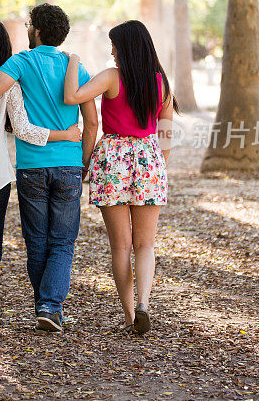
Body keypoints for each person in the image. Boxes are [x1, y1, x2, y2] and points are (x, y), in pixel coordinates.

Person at [0, 4, 98, 332]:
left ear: (37, 30)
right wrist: (80, 156)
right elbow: (87, 123)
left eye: (29, 24)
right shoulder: (70, 68)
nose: (26, 29)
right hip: (47, 165)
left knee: (29, 239)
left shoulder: (19, 65)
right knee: (57, 240)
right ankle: (46, 305)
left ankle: (15, 305)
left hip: (13, 168)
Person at [63, 20, 176, 334]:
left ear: (125, 48)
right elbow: (165, 134)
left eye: (114, 45)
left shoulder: (113, 77)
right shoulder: (162, 83)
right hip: (149, 161)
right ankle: (144, 304)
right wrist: (155, 163)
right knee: (146, 244)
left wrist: (73, 60)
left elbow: (72, 96)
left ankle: (128, 317)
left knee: (121, 246)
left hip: (113, 158)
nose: (111, 52)